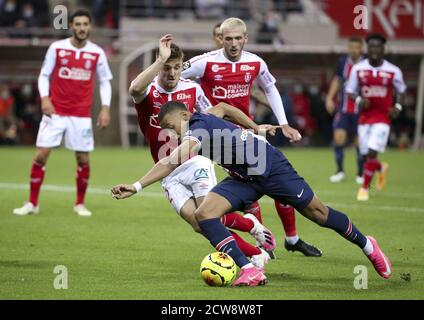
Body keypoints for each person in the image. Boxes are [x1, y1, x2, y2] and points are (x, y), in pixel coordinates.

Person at [111, 101, 393, 286]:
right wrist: (255, 127)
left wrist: (136, 186)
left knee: (319, 214)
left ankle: (367, 245)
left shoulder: (197, 128)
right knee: (204, 214)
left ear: (184, 115)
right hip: (243, 178)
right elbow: (224, 107)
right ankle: (248, 268)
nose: (171, 133)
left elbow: (172, 160)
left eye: (171, 126)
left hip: (272, 168)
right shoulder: (208, 116)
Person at [129, 34, 274, 269]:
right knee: (199, 225)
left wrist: (251, 132)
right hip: (167, 171)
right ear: (159, 68)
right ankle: (250, 229)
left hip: (196, 162)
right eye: (167, 68)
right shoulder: (149, 92)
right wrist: (159, 61)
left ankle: (253, 259)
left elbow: (216, 116)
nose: (172, 72)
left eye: (176, 67)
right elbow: (135, 87)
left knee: (207, 217)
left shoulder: (193, 90)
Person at [182, 17, 321, 257]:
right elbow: (177, 80)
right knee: (250, 188)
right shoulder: (204, 63)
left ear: (244, 38)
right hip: (221, 138)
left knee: (279, 183)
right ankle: (263, 243)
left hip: (249, 131)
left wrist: (283, 123)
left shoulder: (254, 63)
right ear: (220, 39)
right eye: (227, 38)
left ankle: (291, 238)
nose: (233, 43)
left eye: (238, 38)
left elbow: (265, 88)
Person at [13, 10, 113, 216]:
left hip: (81, 115)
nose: (82, 28)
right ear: (71, 26)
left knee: (83, 160)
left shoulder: (97, 52)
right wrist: (44, 98)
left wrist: (105, 108)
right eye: (78, 24)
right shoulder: (57, 48)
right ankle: (32, 203)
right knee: (41, 155)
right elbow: (44, 75)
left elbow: (104, 82)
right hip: (56, 112)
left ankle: (79, 204)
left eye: (86, 24)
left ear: (90, 27)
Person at [345, 33, 406, 201]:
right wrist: (359, 100)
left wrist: (398, 107)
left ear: (383, 49)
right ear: (367, 48)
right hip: (364, 118)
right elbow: (350, 91)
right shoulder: (358, 69)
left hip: (383, 118)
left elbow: (401, 91)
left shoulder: (393, 71)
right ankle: (381, 167)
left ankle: (364, 189)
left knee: (372, 152)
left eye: (377, 46)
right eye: (371, 46)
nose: (374, 49)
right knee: (365, 156)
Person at [326, 37, 365, 184]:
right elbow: (337, 80)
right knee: (338, 137)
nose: (353, 50)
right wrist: (330, 98)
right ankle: (340, 171)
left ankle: (360, 173)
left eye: (356, 47)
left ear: (361, 48)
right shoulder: (343, 62)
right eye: (351, 47)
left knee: (359, 142)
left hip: (361, 110)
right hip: (344, 108)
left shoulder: (367, 63)